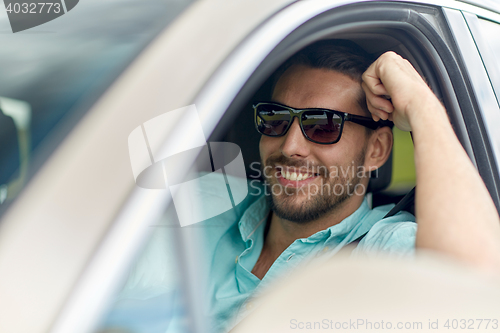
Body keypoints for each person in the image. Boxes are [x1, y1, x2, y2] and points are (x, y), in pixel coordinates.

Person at [104, 40, 500, 333]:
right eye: (275, 119)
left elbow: (477, 286)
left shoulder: (384, 253)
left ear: (377, 149)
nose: (290, 146)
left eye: (323, 125)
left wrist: (422, 108)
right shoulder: (211, 200)